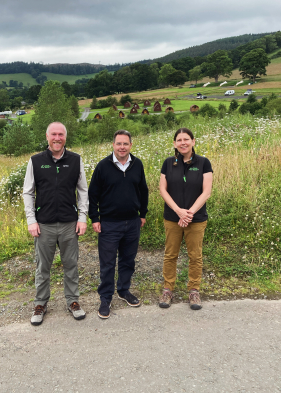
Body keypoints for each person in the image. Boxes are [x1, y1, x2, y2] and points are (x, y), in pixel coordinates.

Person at [23, 122, 89, 325]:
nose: (57, 138)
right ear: (47, 136)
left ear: (65, 137)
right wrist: (31, 220)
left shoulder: (75, 160)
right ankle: (40, 303)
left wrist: (82, 217)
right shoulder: (35, 161)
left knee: (71, 264)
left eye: (61, 134)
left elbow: (83, 191)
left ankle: (73, 301)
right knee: (43, 267)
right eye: (54, 134)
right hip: (44, 225)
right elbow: (28, 192)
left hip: (70, 223)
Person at [88, 129, 149, 319]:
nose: (122, 147)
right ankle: (105, 299)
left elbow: (143, 191)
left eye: (125, 143)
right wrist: (95, 218)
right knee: (107, 264)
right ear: (113, 145)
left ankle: (124, 291)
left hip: (132, 223)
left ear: (131, 145)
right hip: (109, 224)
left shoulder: (137, 164)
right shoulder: (103, 166)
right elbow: (92, 195)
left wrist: (142, 214)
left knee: (127, 260)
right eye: (119, 143)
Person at [159, 127, 213, 310]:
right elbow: (163, 190)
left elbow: (206, 192)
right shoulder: (168, 163)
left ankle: (194, 290)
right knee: (170, 255)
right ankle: (168, 289)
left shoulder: (204, 163)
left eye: (186, 139)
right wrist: (178, 212)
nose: (183, 142)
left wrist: (188, 213)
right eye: (179, 140)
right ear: (174, 143)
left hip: (196, 219)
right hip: (172, 218)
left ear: (193, 141)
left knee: (195, 256)